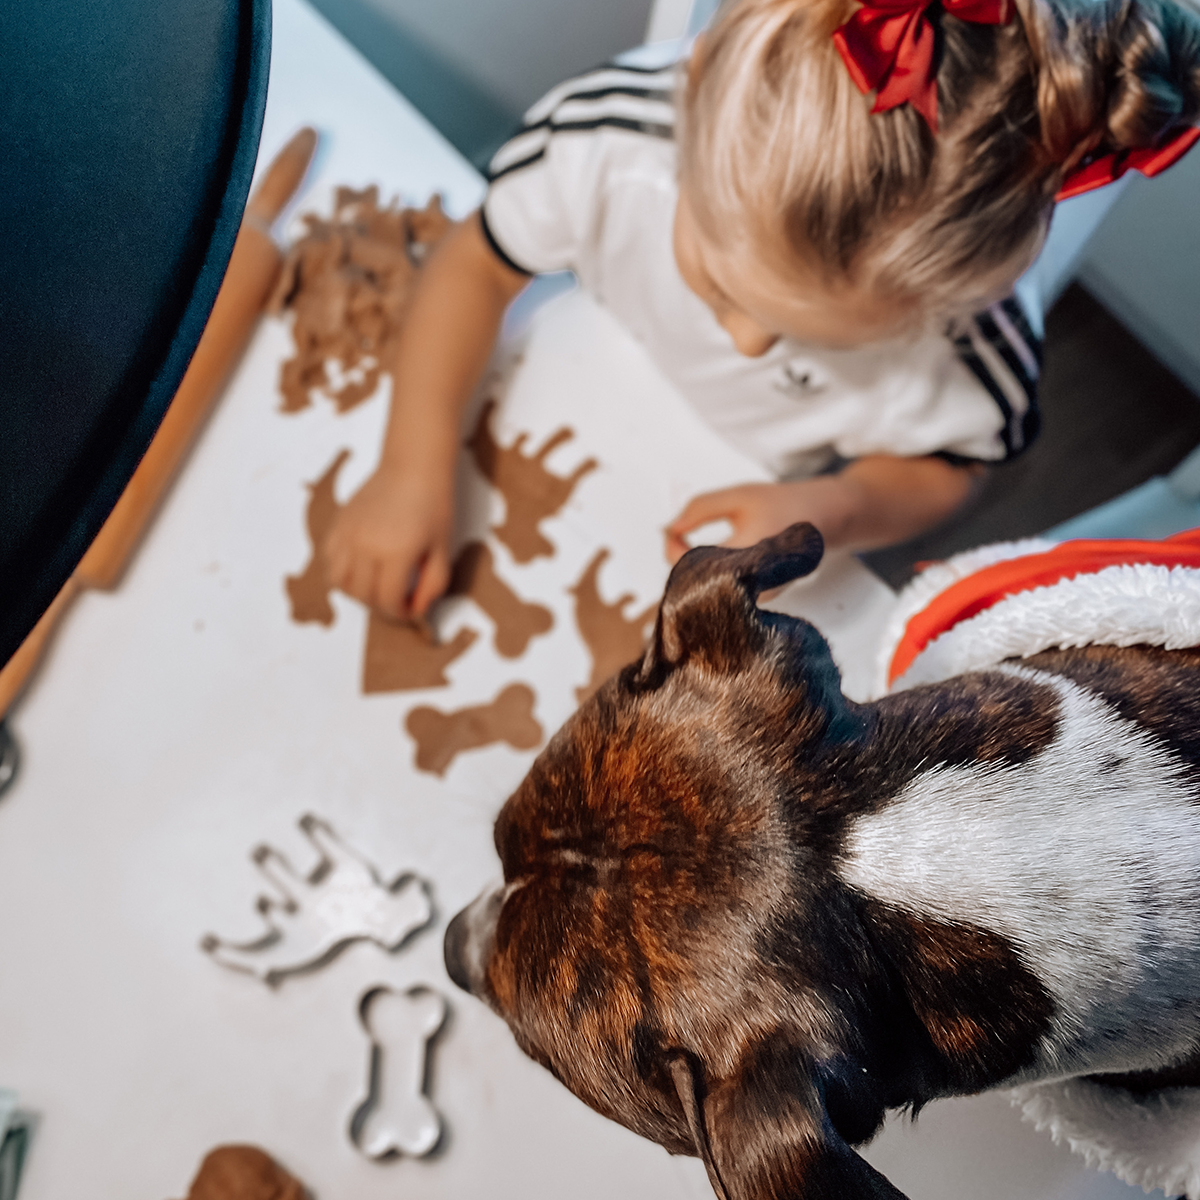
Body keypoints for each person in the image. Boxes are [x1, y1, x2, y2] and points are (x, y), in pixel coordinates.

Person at [326, 0, 1200, 620]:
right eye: (719, 281)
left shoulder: (977, 349)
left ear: (961, 297)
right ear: (691, 84)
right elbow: (475, 265)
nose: (744, 343)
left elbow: (950, 469)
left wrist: (837, 506)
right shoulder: (602, 145)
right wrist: (410, 463)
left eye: (806, 334)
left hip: (735, 473)